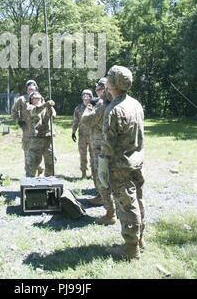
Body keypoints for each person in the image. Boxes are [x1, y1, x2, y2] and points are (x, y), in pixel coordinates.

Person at [101, 65, 145, 260]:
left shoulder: (114, 109)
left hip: (120, 166)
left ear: (113, 84)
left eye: (109, 79)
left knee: (126, 205)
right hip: (136, 162)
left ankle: (131, 247)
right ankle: (139, 238)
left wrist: (103, 166)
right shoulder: (135, 104)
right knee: (137, 201)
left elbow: (108, 144)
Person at [81, 80, 117, 225]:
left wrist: (88, 108)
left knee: (102, 179)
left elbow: (86, 121)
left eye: (101, 89)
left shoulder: (102, 105)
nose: (98, 92)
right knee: (104, 178)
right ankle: (102, 199)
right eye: (97, 89)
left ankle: (110, 213)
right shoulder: (114, 103)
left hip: (101, 147)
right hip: (107, 146)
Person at [11, 79, 44, 176]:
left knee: (38, 154)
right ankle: (28, 175)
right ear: (26, 90)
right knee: (27, 154)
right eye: (29, 89)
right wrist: (19, 121)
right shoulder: (21, 99)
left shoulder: (40, 98)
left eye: (33, 89)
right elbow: (13, 112)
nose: (31, 91)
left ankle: (40, 173)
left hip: (39, 132)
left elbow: (45, 112)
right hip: (27, 132)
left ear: (36, 89)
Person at [25, 91, 56, 177]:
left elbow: (52, 115)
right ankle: (30, 182)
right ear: (31, 100)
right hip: (35, 139)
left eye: (38, 97)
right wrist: (45, 105)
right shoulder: (29, 107)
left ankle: (49, 181)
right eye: (34, 97)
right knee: (32, 162)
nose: (36, 98)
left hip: (48, 137)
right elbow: (35, 111)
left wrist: (49, 107)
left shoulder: (47, 106)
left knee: (51, 161)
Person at [72, 89, 94, 179]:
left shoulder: (95, 107)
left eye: (88, 95)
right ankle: (84, 173)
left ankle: (94, 173)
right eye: (84, 95)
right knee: (82, 155)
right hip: (82, 136)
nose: (86, 97)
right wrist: (73, 132)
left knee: (93, 155)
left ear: (91, 97)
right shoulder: (78, 108)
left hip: (93, 135)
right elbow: (75, 121)